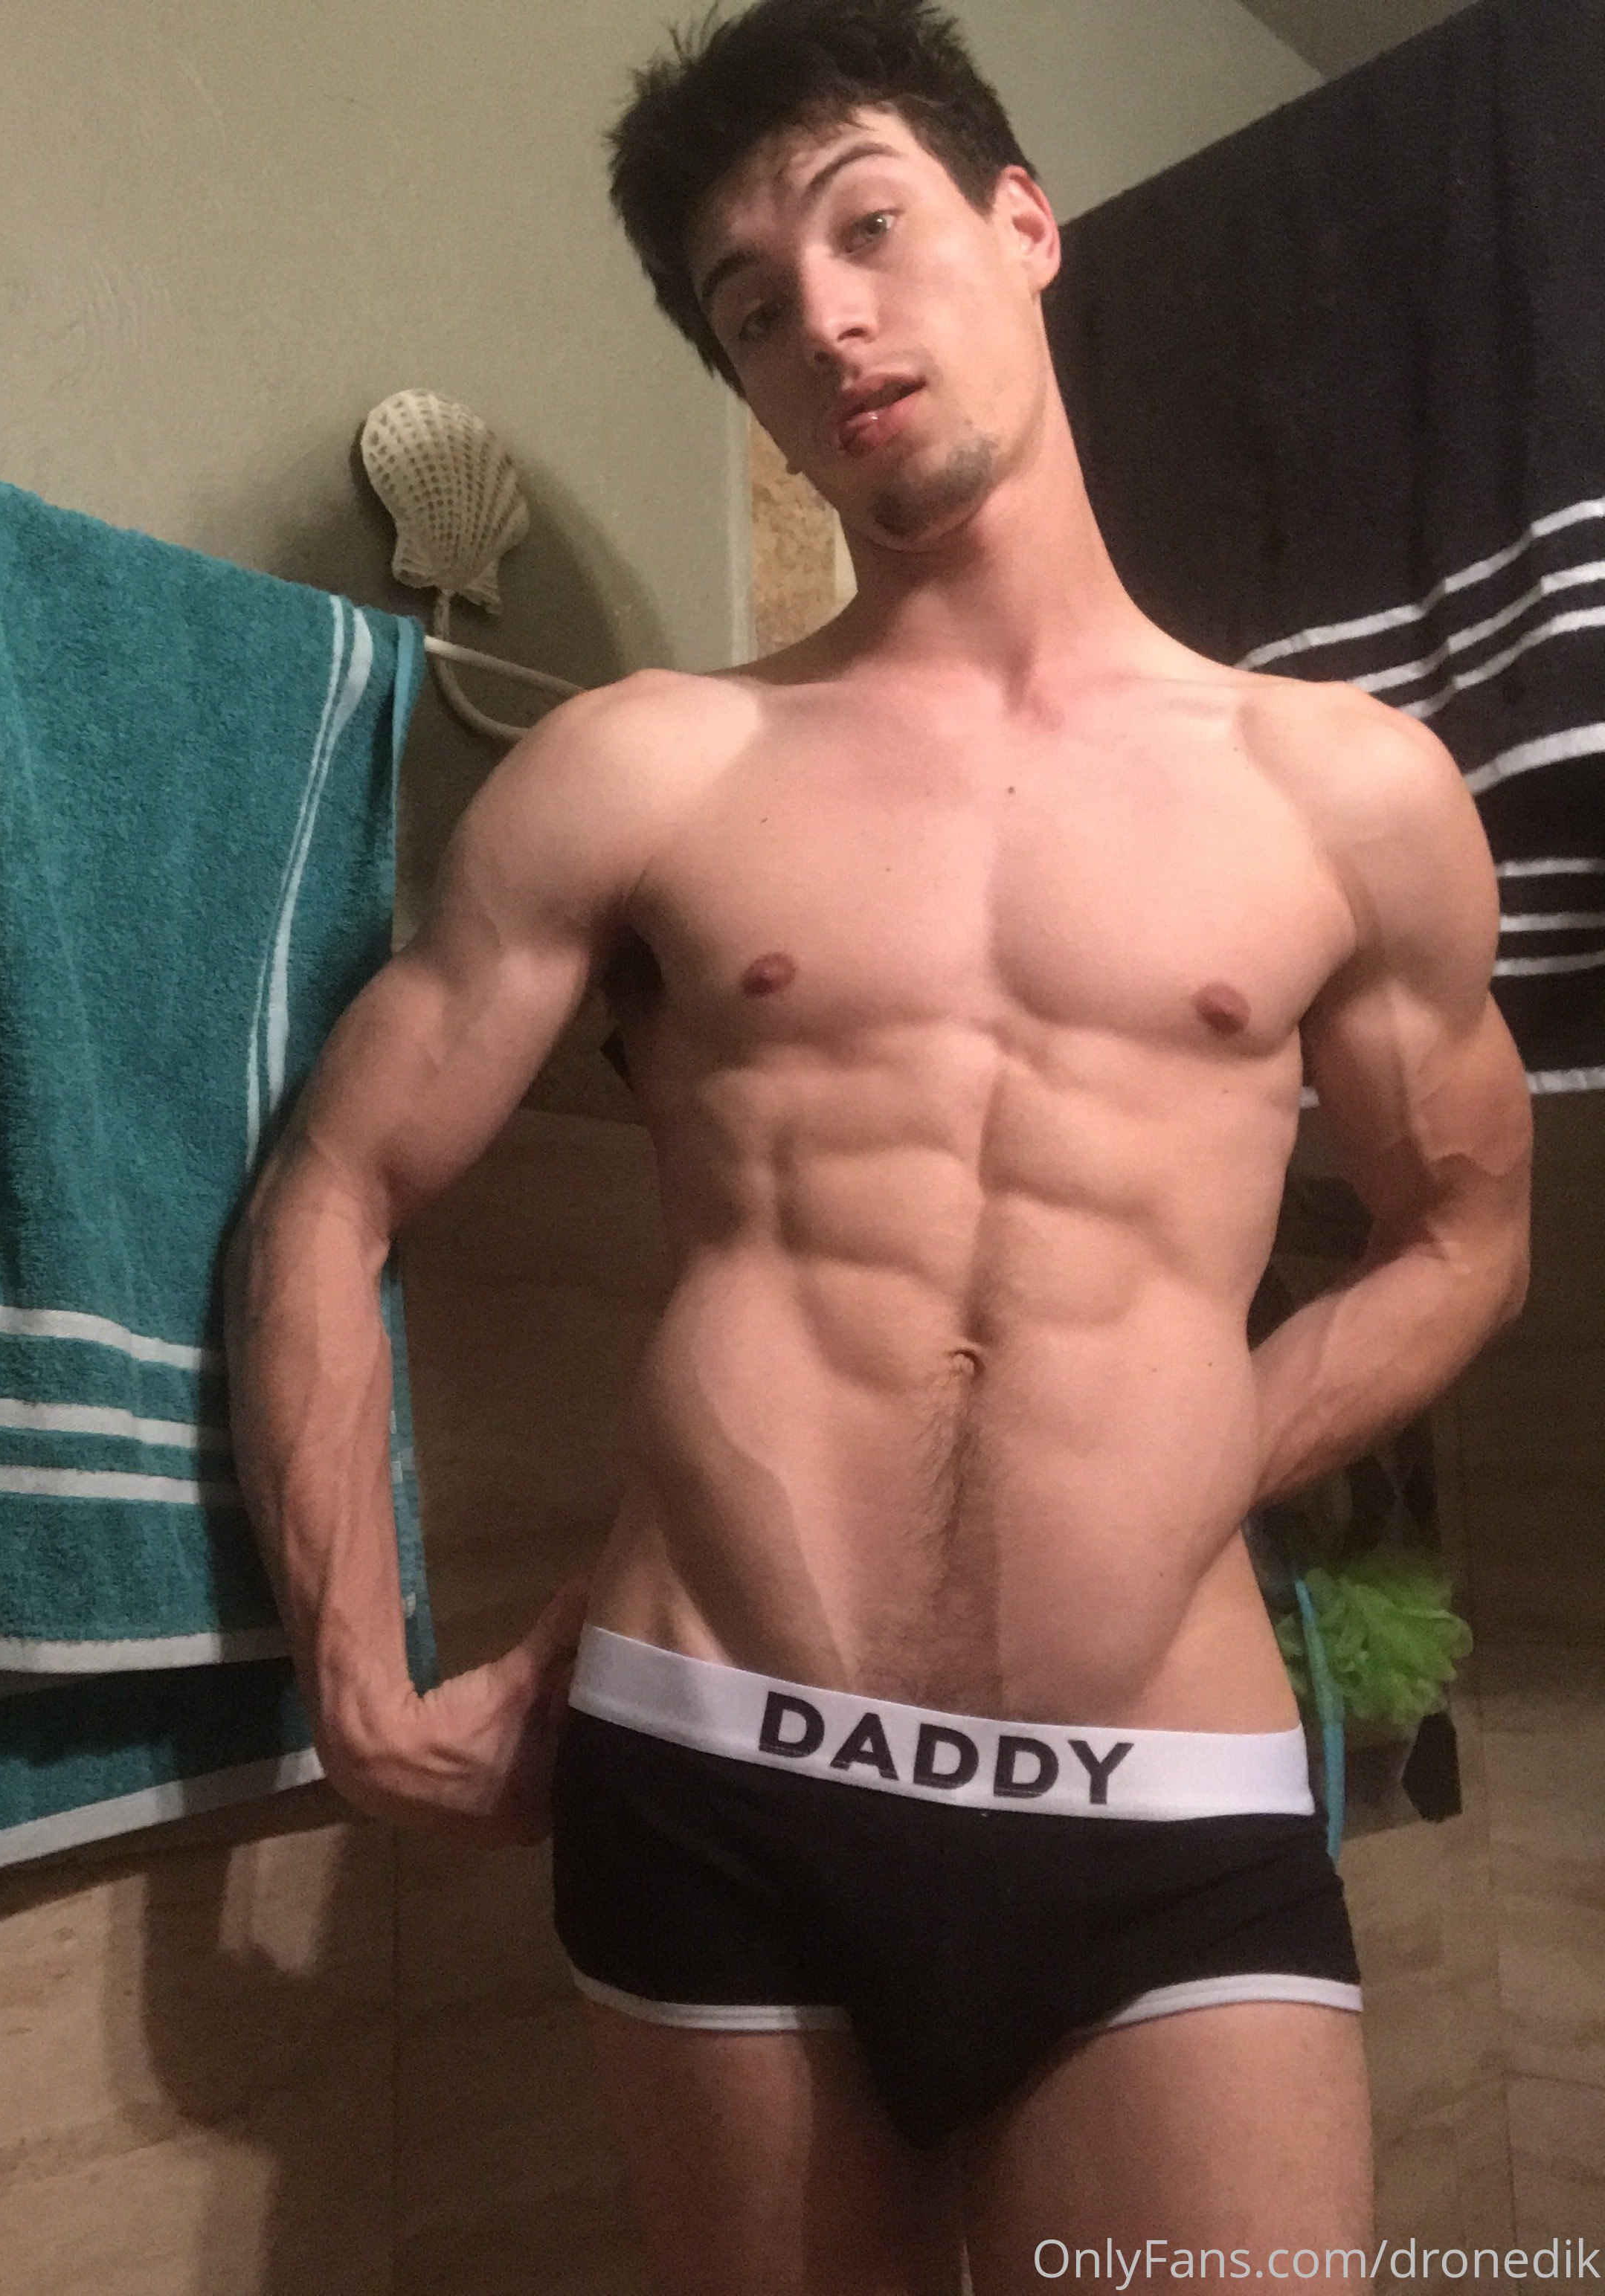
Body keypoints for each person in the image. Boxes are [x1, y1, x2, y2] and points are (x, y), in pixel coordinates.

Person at [226, 1, 1532, 2284]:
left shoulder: (1342, 791)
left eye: (868, 227)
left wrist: (1199, 1445)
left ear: (1023, 223)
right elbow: (337, 1188)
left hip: (1162, 1791)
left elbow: (1464, 1233)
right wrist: (355, 1685)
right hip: (711, 1762)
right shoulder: (648, 769)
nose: (821, 320)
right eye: (748, 307)